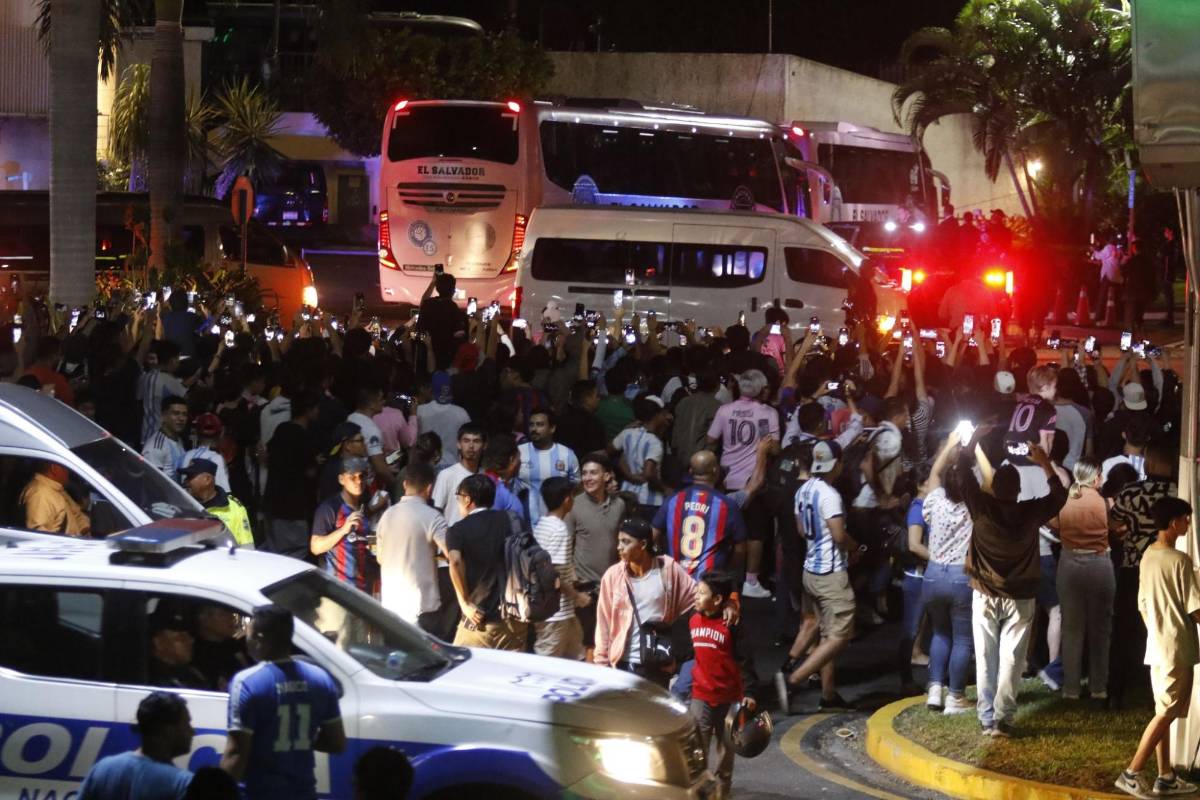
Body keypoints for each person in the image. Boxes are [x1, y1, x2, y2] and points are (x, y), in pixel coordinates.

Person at [964, 442, 1067, 737]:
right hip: (1020, 596)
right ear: (1019, 490)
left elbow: (962, 475)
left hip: (984, 592)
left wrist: (969, 444)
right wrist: (1045, 462)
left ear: (993, 487)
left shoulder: (981, 507)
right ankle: (1003, 717)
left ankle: (986, 717)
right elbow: (1059, 495)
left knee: (986, 657)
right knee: (1012, 659)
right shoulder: (1031, 512)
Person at [1114, 497, 1200, 800]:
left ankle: (1165, 777)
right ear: (1175, 522)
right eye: (1186, 519)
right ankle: (1132, 772)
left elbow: (1142, 603)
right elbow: (1195, 610)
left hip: (1157, 643)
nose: (1188, 523)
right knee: (1165, 713)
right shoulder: (1180, 561)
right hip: (1177, 645)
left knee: (1163, 710)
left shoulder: (1149, 555)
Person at [222, 604, 346, 799]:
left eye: (248, 634)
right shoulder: (321, 679)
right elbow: (336, 743)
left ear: (260, 639)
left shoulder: (246, 683)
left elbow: (236, 753)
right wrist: (299, 735)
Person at [777, 441, 857, 712]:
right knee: (840, 635)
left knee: (816, 627)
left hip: (809, 569)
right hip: (830, 574)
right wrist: (856, 547)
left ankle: (826, 693)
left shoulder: (804, 490)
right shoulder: (829, 495)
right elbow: (838, 535)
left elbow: (801, 530)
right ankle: (794, 680)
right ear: (837, 464)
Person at [593, 517, 696, 689]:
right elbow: (603, 622)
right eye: (619, 541)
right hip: (622, 663)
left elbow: (696, 598)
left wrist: (730, 601)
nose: (619, 547)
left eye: (626, 542)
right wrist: (601, 663)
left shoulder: (668, 570)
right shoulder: (613, 576)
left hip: (656, 662)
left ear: (642, 545)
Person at [683, 570, 757, 796]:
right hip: (700, 696)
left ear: (717, 600)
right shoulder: (693, 620)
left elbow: (745, 659)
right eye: (696, 591)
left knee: (726, 752)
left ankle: (722, 793)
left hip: (729, 698)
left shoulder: (731, 625)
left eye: (701, 593)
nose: (695, 596)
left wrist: (750, 692)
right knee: (697, 751)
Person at [706, 370, 778, 598]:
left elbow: (710, 438)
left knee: (728, 530)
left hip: (727, 478)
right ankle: (751, 580)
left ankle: (727, 576)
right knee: (755, 532)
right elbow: (774, 447)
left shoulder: (725, 410)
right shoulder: (767, 413)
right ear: (760, 389)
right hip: (755, 479)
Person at [919, 433, 974, 715]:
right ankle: (955, 697)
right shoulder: (973, 505)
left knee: (940, 633)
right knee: (963, 639)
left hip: (932, 575)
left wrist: (950, 444)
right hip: (960, 576)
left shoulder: (935, 499)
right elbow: (987, 482)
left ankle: (935, 690)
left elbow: (933, 474)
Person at [1051, 457, 1114, 701]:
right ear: (1096, 476)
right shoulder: (1105, 502)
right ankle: (1099, 687)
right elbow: (1115, 526)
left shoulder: (1066, 499)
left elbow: (1052, 522)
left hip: (1069, 564)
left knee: (1072, 629)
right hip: (1099, 565)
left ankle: (1071, 689)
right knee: (1100, 629)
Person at [446, 474, 527, 650]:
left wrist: (465, 603)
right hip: (516, 617)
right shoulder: (514, 521)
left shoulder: (457, 530)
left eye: (458, 497)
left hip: (480, 620)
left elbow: (455, 561)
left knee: (461, 669)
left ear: (467, 499)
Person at [376, 461, 450, 635]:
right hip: (423, 607)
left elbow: (380, 558)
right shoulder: (433, 517)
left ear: (404, 484)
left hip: (392, 605)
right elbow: (452, 555)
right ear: (429, 488)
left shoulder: (387, 515)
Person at [78, 691, 194, 800]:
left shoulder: (102, 769)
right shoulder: (182, 783)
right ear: (168, 730)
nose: (192, 731)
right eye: (186, 724)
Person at [653, 450, 748, 579]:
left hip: (675, 579)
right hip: (708, 585)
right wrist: (729, 572)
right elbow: (740, 549)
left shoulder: (673, 500)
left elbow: (652, 536)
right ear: (715, 471)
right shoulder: (726, 505)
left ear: (691, 471)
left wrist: (660, 562)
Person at [569, 452, 627, 659]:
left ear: (607, 476)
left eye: (594, 473)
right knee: (585, 645)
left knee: (608, 642)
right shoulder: (573, 505)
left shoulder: (619, 505)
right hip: (584, 588)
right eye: (584, 473)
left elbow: (622, 544)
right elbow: (566, 548)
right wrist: (575, 585)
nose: (587, 478)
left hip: (610, 586)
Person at [531, 476, 590, 659]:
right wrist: (577, 596)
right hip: (555, 613)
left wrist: (575, 580)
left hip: (560, 611)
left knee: (577, 655)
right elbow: (552, 574)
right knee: (547, 663)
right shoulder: (559, 529)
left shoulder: (543, 524)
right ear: (567, 500)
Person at [264, 391, 322, 559]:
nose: (318, 412)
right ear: (308, 410)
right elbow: (309, 472)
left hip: (271, 502)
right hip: (292, 508)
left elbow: (267, 456)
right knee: (293, 555)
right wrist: (315, 463)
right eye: (316, 408)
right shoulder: (303, 437)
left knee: (274, 554)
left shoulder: (281, 430)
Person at [310, 457, 378, 594]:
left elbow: (369, 544)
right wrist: (343, 530)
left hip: (365, 591)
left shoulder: (365, 506)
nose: (359, 481)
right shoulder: (329, 508)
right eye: (352, 477)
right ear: (341, 479)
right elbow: (315, 547)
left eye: (362, 476)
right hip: (339, 592)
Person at [612, 395, 672, 519]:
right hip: (649, 501)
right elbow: (648, 473)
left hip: (627, 495)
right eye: (662, 414)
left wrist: (629, 475)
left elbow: (610, 449)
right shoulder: (654, 442)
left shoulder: (627, 434)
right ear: (656, 415)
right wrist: (665, 489)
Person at [519, 409, 581, 525]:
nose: (534, 429)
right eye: (531, 425)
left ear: (552, 428)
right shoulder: (519, 452)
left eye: (540, 425)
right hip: (525, 521)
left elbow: (576, 485)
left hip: (558, 522)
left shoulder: (566, 454)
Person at [180, 459, 254, 548]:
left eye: (190, 477)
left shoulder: (234, 508)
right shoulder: (182, 507)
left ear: (207, 480)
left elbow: (246, 547)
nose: (186, 481)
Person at [431, 423, 485, 529]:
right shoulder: (446, 475)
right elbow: (436, 512)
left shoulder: (487, 477)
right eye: (466, 441)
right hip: (451, 541)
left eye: (476, 441)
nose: (471, 446)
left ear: (484, 445)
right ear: (459, 444)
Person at [147, 602, 208, 690]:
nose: (191, 641)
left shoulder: (191, 672)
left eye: (189, 635)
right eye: (181, 638)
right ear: (158, 643)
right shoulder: (154, 680)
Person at [416, 371, 471, 469]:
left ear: (431, 388)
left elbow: (412, 441)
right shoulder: (462, 413)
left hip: (425, 468)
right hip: (453, 469)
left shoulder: (420, 411)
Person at [138, 340, 186, 448]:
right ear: (172, 361)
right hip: (163, 438)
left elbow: (138, 399)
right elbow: (185, 400)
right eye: (178, 358)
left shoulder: (144, 378)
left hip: (144, 434)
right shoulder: (170, 382)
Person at [191, 604, 250, 693]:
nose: (231, 618)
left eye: (231, 613)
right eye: (223, 614)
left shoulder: (234, 645)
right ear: (205, 620)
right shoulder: (199, 654)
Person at [21, 461, 90, 536]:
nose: (68, 472)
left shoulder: (57, 489)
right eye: (65, 468)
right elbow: (38, 535)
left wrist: (85, 531)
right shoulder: (40, 494)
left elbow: (77, 514)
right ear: (54, 468)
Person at [417, 272, 468, 371]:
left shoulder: (428, 305)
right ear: (453, 291)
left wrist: (433, 283)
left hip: (424, 356)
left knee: (410, 334)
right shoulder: (456, 311)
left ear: (437, 288)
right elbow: (460, 338)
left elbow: (423, 301)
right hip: (446, 360)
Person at [347, 383, 397, 484]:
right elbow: (380, 468)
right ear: (371, 404)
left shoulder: (350, 418)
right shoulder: (371, 430)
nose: (384, 402)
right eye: (381, 399)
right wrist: (395, 484)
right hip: (366, 485)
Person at [556, 380, 608, 465]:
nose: (599, 399)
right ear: (587, 399)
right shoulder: (593, 424)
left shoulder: (560, 420)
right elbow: (599, 457)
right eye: (596, 396)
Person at [179, 412, 231, 493]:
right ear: (220, 434)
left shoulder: (184, 456)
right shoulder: (216, 458)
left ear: (197, 433)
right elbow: (224, 492)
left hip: (183, 503)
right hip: (206, 505)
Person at [143, 396, 189, 480]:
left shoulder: (178, 439)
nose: (181, 418)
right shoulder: (156, 447)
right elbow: (152, 481)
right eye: (176, 413)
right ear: (163, 416)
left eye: (184, 414)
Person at [320, 421, 366, 500]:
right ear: (347, 445)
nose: (365, 444)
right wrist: (372, 509)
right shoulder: (335, 471)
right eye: (360, 440)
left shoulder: (357, 465)